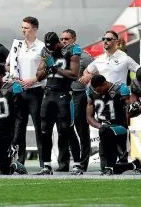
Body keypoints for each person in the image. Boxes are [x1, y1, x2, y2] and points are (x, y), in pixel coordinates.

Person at [34, 32, 82, 175]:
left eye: (53, 47)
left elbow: (74, 75)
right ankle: (46, 165)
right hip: (49, 93)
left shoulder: (72, 50)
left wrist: (56, 68)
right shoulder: (46, 51)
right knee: (44, 130)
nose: (51, 50)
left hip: (64, 92)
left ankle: (77, 165)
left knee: (67, 129)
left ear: (58, 43)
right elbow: (38, 76)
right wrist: (47, 69)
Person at [6, 17, 45, 167]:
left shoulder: (42, 47)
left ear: (35, 29)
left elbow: (46, 69)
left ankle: (44, 163)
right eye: (22, 27)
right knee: (18, 128)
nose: (23, 30)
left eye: (26, 28)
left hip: (36, 91)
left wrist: (33, 79)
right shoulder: (17, 45)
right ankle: (18, 163)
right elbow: (8, 65)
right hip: (19, 91)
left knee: (39, 128)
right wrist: (13, 77)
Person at [86, 75, 141, 175]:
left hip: (119, 127)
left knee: (109, 167)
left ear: (104, 83)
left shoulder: (120, 89)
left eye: (99, 90)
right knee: (106, 168)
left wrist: (135, 106)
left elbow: (130, 107)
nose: (97, 92)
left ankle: (116, 166)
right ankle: (134, 165)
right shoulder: (91, 91)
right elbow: (89, 117)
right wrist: (100, 126)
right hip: (104, 129)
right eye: (95, 90)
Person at [59, 29, 94, 172]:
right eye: (62, 39)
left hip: (79, 95)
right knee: (66, 129)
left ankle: (83, 162)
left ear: (74, 39)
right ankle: (73, 160)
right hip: (64, 95)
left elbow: (96, 71)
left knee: (82, 129)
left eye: (67, 39)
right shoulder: (60, 57)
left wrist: (89, 76)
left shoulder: (84, 57)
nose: (64, 41)